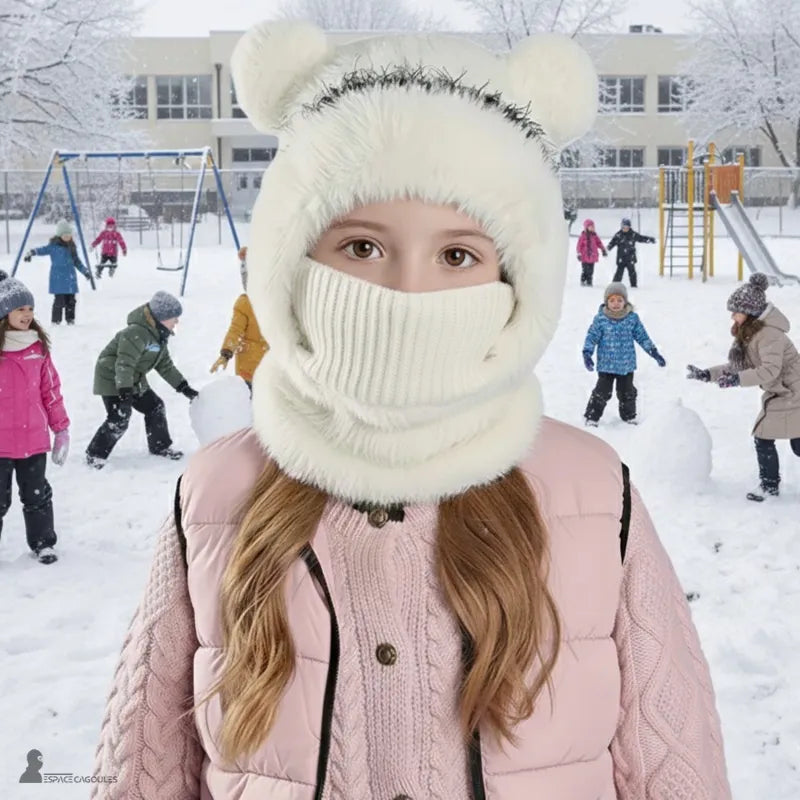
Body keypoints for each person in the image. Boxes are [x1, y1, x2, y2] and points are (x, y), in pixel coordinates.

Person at [91, 23, 730, 800]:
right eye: (361, 247)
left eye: (458, 255)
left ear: (517, 283)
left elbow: (672, 757)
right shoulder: (219, 491)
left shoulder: (591, 490)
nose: (405, 293)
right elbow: (145, 762)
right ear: (295, 261)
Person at [687, 272, 800, 502]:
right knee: (791, 442)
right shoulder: (754, 333)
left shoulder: (769, 335)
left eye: (735, 311)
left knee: (765, 438)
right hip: (784, 392)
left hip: (792, 392)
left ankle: (769, 488)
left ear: (749, 313)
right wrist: (708, 374)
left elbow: (770, 370)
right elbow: (740, 366)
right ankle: (769, 487)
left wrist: (738, 380)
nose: (732, 315)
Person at [0, 271, 69, 564]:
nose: (27, 314)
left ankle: (43, 542)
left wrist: (61, 429)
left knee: (37, 495)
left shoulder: (38, 348)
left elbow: (50, 390)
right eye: (20, 309)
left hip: (33, 438)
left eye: (30, 309)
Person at [85, 291, 198, 469]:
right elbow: (124, 364)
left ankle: (160, 446)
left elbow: (165, 366)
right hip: (112, 378)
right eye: (174, 317)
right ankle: (95, 454)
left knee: (155, 406)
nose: (176, 322)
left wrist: (184, 387)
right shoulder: (135, 333)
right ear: (161, 317)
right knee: (119, 418)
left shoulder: (159, 336)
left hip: (133, 380)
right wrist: (124, 393)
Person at [582, 282, 666, 426]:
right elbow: (592, 337)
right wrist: (587, 354)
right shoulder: (600, 319)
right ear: (606, 302)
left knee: (627, 392)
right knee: (602, 392)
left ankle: (629, 416)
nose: (616, 304)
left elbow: (642, 337)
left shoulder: (632, 319)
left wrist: (653, 352)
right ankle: (591, 416)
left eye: (620, 300)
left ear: (625, 301)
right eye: (612, 300)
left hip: (626, 365)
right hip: (606, 365)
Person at [210, 246, 268, 388]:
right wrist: (226, 353)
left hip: (267, 367)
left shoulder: (275, 302)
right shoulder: (245, 304)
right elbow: (235, 331)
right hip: (251, 369)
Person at [23, 220, 92, 324]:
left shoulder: (72, 247)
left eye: (69, 235)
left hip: (70, 278)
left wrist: (85, 271)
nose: (67, 237)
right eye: (65, 235)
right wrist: (31, 253)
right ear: (60, 235)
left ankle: (70, 319)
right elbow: (42, 250)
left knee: (71, 301)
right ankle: (56, 321)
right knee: (59, 301)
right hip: (58, 279)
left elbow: (77, 262)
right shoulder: (53, 246)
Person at [606, 216, 655, 289]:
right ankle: (614, 286)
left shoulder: (633, 234)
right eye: (624, 227)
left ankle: (634, 285)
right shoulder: (618, 235)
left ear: (629, 227)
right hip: (621, 258)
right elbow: (612, 242)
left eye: (627, 227)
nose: (625, 229)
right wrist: (607, 248)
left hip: (630, 258)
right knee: (619, 273)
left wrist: (649, 239)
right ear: (621, 227)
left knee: (632, 273)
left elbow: (641, 238)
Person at [575, 217, 607, 286]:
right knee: (585, 271)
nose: (592, 228)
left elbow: (599, 243)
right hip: (584, 257)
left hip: (592, 257)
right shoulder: (582, 236)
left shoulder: (594, 236)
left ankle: (589, 282)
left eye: (593, 227)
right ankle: (583, 281)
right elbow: (579, 246)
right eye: (591, 227)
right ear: (586, 227)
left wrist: (603, 249)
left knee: (591, 271)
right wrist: (579, 253)